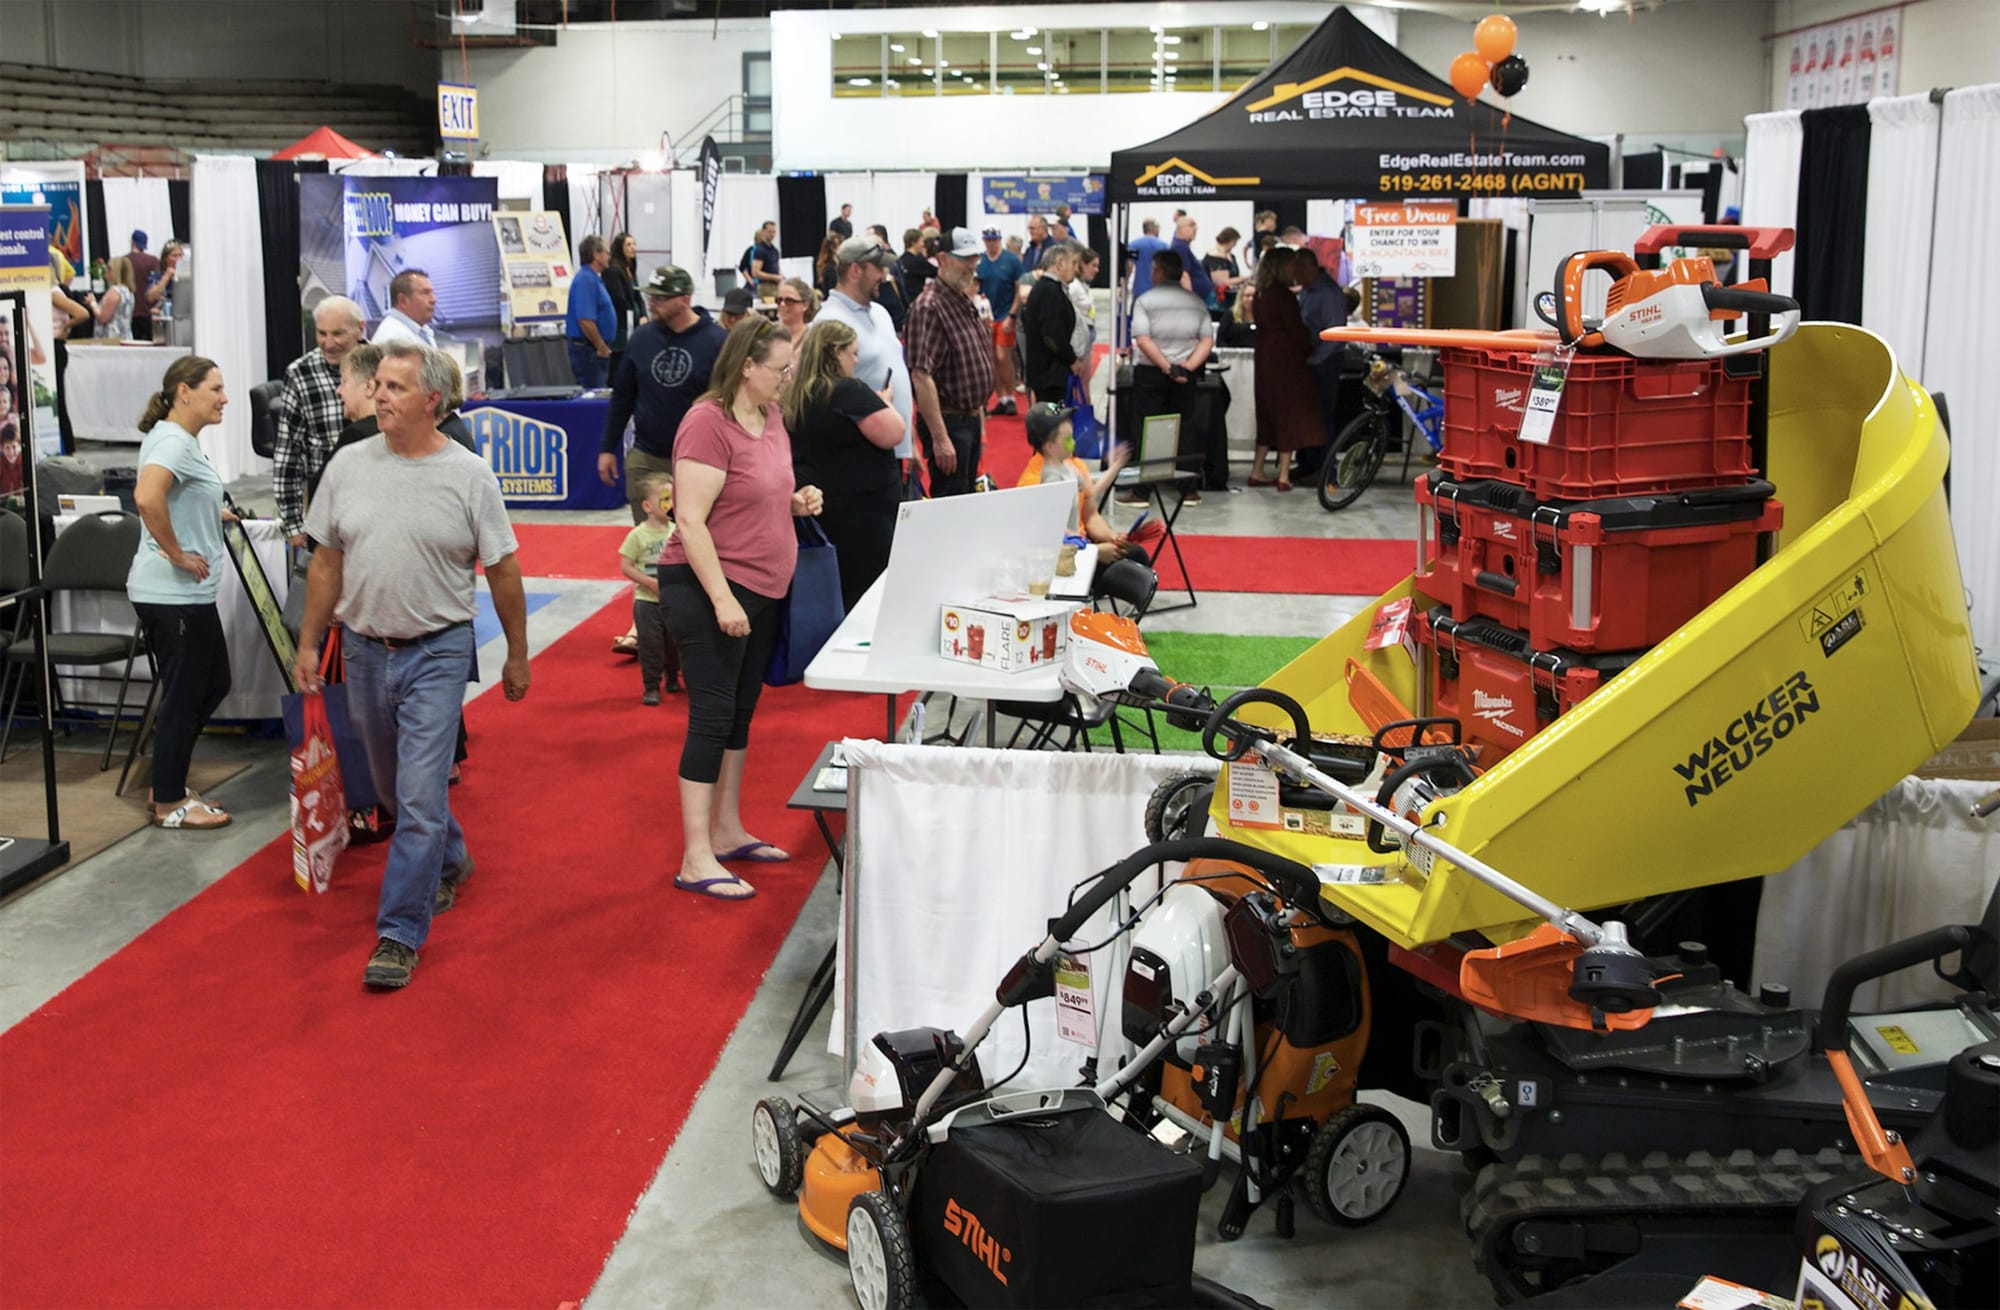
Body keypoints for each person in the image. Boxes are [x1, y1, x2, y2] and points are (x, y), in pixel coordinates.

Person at [294, 342, 530, 990]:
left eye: (395, 387)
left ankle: (399, 934)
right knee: (398, 790)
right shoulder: (346, 466)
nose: (380, 397)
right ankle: (450, 857)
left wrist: (517, 652)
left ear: (432, 401)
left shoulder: (468, 475)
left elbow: (503, 570)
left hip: (440, 649)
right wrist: (310, 642)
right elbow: (325, 563)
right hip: (366, 650)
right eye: (378, 386)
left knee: (421, 794)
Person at [659, 319, 824, 901]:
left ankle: (726, 830)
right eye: (780, 369)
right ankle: (696, 855)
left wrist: (796, 501)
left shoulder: (771, 416)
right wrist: (723, 598)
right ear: (747, 366)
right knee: (712, 713)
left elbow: (758, 491)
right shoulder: (707, 423)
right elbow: (690, 519)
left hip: (764, 587)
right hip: (708, 588)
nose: (787, 379)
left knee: (739, 713)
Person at [127, 355, 234, 830]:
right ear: (184, 392)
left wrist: (213, 518)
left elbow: (177, 497)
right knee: (186, 693)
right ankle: (169, 801)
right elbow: (148, 498)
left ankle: (165, 780)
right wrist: (175, 553)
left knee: (212, 684)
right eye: (215, 388)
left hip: (185, 595)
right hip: (172, 593)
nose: (224, 398)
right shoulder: (172, 439)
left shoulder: (178, 440)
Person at [782, 320, 905, 610]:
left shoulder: (797, 394)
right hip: (862, 517)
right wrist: (884, 402)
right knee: (867, 597)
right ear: (836, 352)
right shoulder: (847, 390)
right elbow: (893, 432)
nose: (856, 360)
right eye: (852, 353)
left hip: (822, 510)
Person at [600, 264, 728, 522]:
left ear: (684, 300)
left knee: (700, 542)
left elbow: (729, 406)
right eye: (650, 296)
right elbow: (622, 397)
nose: (651, 303)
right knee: (651, 545)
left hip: (700, 461)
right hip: (648, 457)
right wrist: (607, 448)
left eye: (660, 298)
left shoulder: (718, 342)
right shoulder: (641, 338)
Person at [904, 227, 995, 499]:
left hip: (966, 419)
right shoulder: (928, 306)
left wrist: (979, 422)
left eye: (974, 258)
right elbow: (921, 376)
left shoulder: (959, 298)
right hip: (949, 422)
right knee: (952, 502)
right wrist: (940, 438)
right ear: (942, 259)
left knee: (965, 499)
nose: (972, 265)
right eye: (965, 258)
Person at [813, 235, 914, 468]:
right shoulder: (829, 322)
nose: (884, 275)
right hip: (859, 455)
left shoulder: (879, 312)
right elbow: (823, 399)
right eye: (878, 268)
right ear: (855, 271)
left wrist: (910, 442)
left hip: (892, 447)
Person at [1016, 402, 1162, 563]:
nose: (1074, 443)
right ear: (1050, 446)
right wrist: (1093, 552)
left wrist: (1112, 537)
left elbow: (1090, 515)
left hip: (1082, 546)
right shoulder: (1033, 485)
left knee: (1136, 555)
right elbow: (1045, 542)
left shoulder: (1074, 465)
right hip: (1061, 559)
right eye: (1067, 439)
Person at [274, 295, 366, 547]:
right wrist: (292, 523)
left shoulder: (385, 365)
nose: (328, 343)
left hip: (378, 506)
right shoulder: (300, 373)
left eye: (337, 334)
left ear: (360, 329)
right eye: (321, 334)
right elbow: (288, 452)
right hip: (326, 509)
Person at [1129, 249, 1220, 499]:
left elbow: (1143, 339)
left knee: (1148, 428)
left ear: (1158, 272)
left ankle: (1142, 491)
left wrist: (1165, 366)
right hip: (1185, 373)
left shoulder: (1145, 301)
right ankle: (1188, 489)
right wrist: (1187, 367)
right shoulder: (1196, 302)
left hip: (1152, 373)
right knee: (1185, 429)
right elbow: (1206, 340)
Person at [1249, 249, 1317, 490]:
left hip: (1265, 358)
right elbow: (1297, 332)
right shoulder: (1284, 297)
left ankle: (1257, 469)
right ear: (1281, 267)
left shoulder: (1260, 295)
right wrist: (1311, 347)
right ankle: (1284, 475)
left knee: (1266, 414)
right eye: (1291, 264)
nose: (1294, 269)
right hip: (1286, 361)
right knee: (1288, 412)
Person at [618, 472, 681, 704]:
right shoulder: (638, 535)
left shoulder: (677, 530)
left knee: (674, 643)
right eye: (665, 499)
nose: (671, 504)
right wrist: (648, 583)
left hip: (673, 599)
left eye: (673, 498)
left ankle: (673, 676)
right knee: (651, 645)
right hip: (647, 602)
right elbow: (626, 566)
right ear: (647, 505)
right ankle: (651, 686)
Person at [1018, 241, 1078, 405]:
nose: (1075, 269)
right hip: (1050, 375)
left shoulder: (1047, 289)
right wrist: (1071, 359)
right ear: (1059, 263)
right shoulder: (1049, 291)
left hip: (1048, 372)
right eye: (1072, 263)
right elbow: (1052, 335)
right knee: (1054, 422)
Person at [975, 228, 1025, 416]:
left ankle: (1010, 396)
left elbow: (1019, 288)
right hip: (987, 314)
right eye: (988, 240)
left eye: (994, 240)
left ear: (999, 240)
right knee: (991, 358)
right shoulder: (981, 261)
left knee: (1003, 355)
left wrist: (1012, 315)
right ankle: (1002, 397)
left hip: (1004, 313)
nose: (991, 243)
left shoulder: (1011, 260)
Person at [566, 234, 617, 389]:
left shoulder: (593, 279)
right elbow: (585, 320)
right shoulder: (586, 280)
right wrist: (601, 346)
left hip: (592, 349)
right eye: (606, 253)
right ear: (596, 254)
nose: (609, 256)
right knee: (592, 397)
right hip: (589, 351)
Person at [604, 231, 640, 382]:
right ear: (620, 248)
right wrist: (634, 315)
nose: (633, 248)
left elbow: (638, 295)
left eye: (634, 244)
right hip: (621, 324)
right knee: (620, 360)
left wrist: (643, 314)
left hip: (634, 321)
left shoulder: (630, 267)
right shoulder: (612, 270)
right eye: (628, 245)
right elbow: (619, 299)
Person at [370, 268, 437, 348]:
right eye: (425, 293)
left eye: (432, 293)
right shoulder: (393, 338)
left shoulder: (423, 331)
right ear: (403, 300)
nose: (434, 299)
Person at [87, 256, 136, 342]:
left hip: (111, 339)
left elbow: (103, 318)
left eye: (109, 268)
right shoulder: (128, 291)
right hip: (125, 337)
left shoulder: (115, 291)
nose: (105, 270)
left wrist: (93, 303)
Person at [1068, 248, 1100, 381]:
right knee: (1081, 380)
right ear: (1083, 265)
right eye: (1093, 265)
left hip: (1088, 332)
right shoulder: (1074, 287)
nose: (1096, 270)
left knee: (1085, 379)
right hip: (1079, 337)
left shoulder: (1084, 286)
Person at [1170, 215, 1214, 305]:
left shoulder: (1183, 246)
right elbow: (1183, 275)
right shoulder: (1180, 247)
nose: (1195, 229)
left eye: (1195, 226)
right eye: (1191, 225)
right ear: (1180, 229)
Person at [125, 230, 160, 343]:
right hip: (150, 311)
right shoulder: (153, 261)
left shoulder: (124, 261)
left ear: (132, 242)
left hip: (131, 312)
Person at [146, 241, 185, 328]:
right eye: (174, 256)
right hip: (163, 322)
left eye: (180, 255)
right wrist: (166, 277)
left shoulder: (187, 276)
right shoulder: (156, 276)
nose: (178, 259)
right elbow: (150, 297)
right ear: (165, 258)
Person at [1127, 218, 1168, 298]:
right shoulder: (1164, 246)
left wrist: (1124, 285)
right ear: (1154, 229)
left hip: (1140, 289)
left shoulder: (1134, 245)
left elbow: (1129, 266)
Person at [1203, 227, 1242, 311]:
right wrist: (1245, 278)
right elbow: (1222, 283)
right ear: (1230, 240)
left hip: (1231, 297)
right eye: (1234, 242)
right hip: (1218, 301)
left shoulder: (1231, 256)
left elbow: (1236, 275)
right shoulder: (1215, 257)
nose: (1235, 245)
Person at [742, 220, 782, 301]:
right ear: (763, 232)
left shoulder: (775, 250)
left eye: (774, 232)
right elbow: (755, 272)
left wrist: (781, 277)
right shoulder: (759, 250)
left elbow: (777, 269)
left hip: (775, 286)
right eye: (769, 232)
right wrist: (774, 277)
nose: (772, 234)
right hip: (765, 286)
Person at [895, 227, 935, 306]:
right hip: (915, 302)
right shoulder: (917, 262)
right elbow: (936, 272)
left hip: (904, 302)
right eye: (921, 241)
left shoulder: (900, 260)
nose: (923, 244)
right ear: (913, 242)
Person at [1219, 282, 1258, 348]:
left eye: (1254, 296)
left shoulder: (1264, 316)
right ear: (1241, 297)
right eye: (1247, 296)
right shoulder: (1230, 314)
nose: (1251, 299)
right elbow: (1220, 341)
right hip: (1230, 356)